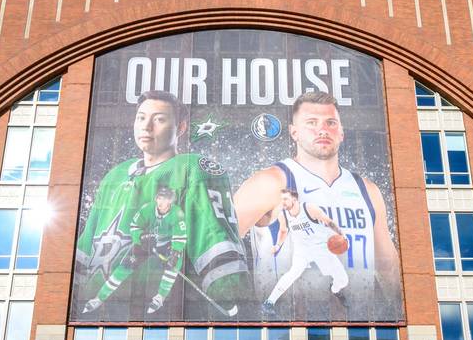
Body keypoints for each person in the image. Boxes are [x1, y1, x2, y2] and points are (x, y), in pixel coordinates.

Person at [74, 90, 249, 317]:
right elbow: (85, 245)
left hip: (159, 315)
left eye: (159, 119)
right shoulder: (115, 175)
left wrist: (232, 299)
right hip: (98, 315)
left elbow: (213, 238)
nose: (146, 127)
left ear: (181, 128)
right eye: (141, 118)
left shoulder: (191, 169)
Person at [234, 91, 400, 309]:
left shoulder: (367, 190)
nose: (322, 130)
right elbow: (221, 237)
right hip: (286, 325)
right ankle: (270, 303)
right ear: (294, 132)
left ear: (342, 132)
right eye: (311, 122)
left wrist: (402, 310)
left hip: (358, 325)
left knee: (340, 279)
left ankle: (339, 294)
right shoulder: (271, 181)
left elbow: (388, 267)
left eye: (331, 123)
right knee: (294, 274)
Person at [83, 186, 186, 315]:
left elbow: (180, 236)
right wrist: (141, 237)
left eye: (164, 199)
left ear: (170, 201)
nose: (160, 202)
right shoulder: (147, 208)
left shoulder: (177, 213)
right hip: (146, 242)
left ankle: (160, 297)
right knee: (126, 265)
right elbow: (134, 226)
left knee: (175, 262)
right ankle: (99, 298)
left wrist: (175, 253)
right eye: (159, 198)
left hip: (167, 244)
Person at [261, 187, 348, 316]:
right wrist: (278, 245)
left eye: (285, 199)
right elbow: (283, 231)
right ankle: (269, 302)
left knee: (343, 280)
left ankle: (335, 290)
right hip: (302, 249)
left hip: (320, 247)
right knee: (293, 272)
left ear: (294, 199)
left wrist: (342, 234)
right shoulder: (283, 214)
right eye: (281, 200)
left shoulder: (309, 208)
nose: (283, 202)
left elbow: (328, 222)